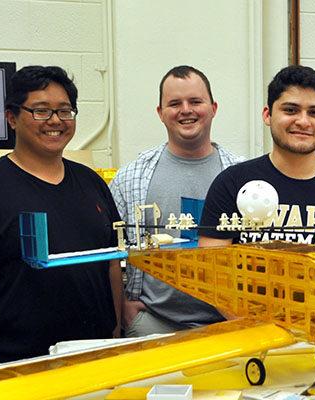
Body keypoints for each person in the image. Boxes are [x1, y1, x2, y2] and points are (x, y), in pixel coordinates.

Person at [0, 66, 122, 365]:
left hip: (94, 356)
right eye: (41, 111)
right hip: (17, 362)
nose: (55, 121)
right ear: (11, 117)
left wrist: (115, 335)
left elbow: (111, 264)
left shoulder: (92, 183)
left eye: (65, 111)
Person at [110, 66, 243, 337]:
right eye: (174, 103)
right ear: (160, 113)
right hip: (153, 324)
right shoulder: (131, 177)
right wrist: (122, 306)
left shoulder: (241, 177)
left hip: (229, 324)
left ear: (213, 108)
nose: (186, 110)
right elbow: (112, 250)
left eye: (195, 101)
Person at [199, 65, 315, 267]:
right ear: (268, 115)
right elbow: (211, 271)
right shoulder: (231, 183)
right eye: (290, 110)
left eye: (314, 112)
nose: (303, 121)